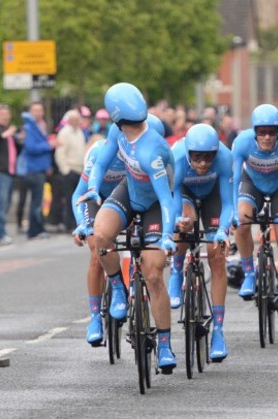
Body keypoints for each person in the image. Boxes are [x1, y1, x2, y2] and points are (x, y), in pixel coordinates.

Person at [78, 82, 177, 373]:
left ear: (114, 114)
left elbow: (166, 199)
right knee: (100, 236)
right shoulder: (117, 132)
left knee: (153, 272)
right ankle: (118, 288)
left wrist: (168, 236)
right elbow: (101, 163)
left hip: (155, 206)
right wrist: (95, 188)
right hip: (129, 192)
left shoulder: (152, 150)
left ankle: (164, 344)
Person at [72, 114, 165, 346]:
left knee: (141, 245)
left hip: (129, 200)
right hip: (98, 199)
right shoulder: (100, 153)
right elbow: (78, 194)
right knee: (96, 250)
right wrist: (83, 225)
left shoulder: (143, 156)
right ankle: (95, 317)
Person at [167, 123, 233, 361]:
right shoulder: (175, 156)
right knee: (184, 224)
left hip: (213, 195)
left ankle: (218, 331)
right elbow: (171, 197)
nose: (203, 163)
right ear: (188, 154)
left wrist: (223, 231)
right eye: (197, 158)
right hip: (184, 193)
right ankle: (176, 271)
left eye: (208, 158)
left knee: (216, 254)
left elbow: (228, 203)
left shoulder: (225, 157)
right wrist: (177, 221)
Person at [232, 104, 278, 317]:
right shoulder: (241, 143)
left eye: (273, 131)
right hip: (251, 184)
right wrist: (232, 211)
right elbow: (233, 180)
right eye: (262, 132)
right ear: (254, 132)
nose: (267, 137)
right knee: (242, 221)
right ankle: (249, 274)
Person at [21, 102, 55, 240]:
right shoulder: (30, 127)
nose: (38, 113)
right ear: (30, 112)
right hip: (34, 169)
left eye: (40, 110)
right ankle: (35, 230)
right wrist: (48, 145)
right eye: (35, 110)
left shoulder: (38, 126)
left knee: (37, 200)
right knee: (36, 201)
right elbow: (31, 148)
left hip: (40, 168)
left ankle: (34, 230)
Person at [54, 110, 86, 232]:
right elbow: (60, 153)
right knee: (69, 199)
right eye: (74, 119)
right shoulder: (64, 132)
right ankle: (69, 224)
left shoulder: (79, 132)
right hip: (70, 170)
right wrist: (65, 170)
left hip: (79, 170)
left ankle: (77, 222)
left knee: (78, 199)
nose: (77, 121)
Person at [0, 104, 18, 245]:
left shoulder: (6, 130)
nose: (5, 116)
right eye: (2, 114)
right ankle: (1, 234)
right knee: (1, 204)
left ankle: (1, 232)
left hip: (9, 171)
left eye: (7, 114)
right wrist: (5, 135)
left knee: (6, 203)